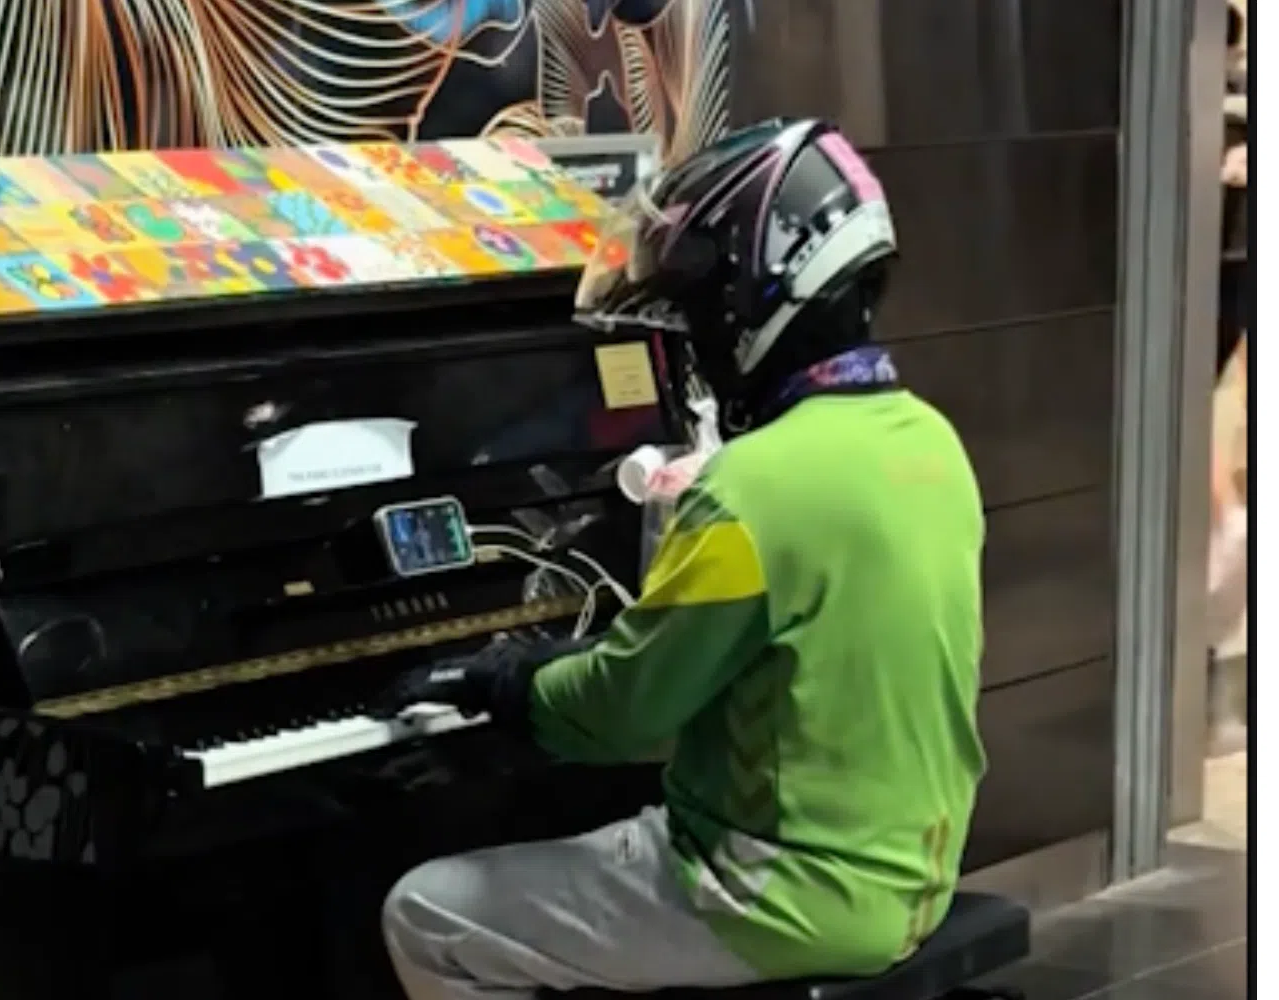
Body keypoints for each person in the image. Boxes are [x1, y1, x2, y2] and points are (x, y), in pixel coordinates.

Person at [372, 118, 988, 1000]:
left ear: (755, 301)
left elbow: (626, 713)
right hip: (909, 877)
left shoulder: (750, 489)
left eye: (696, 311)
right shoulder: (932, 445)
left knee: (428, 914)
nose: (693, 345)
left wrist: (503, 680)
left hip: (772, 897)